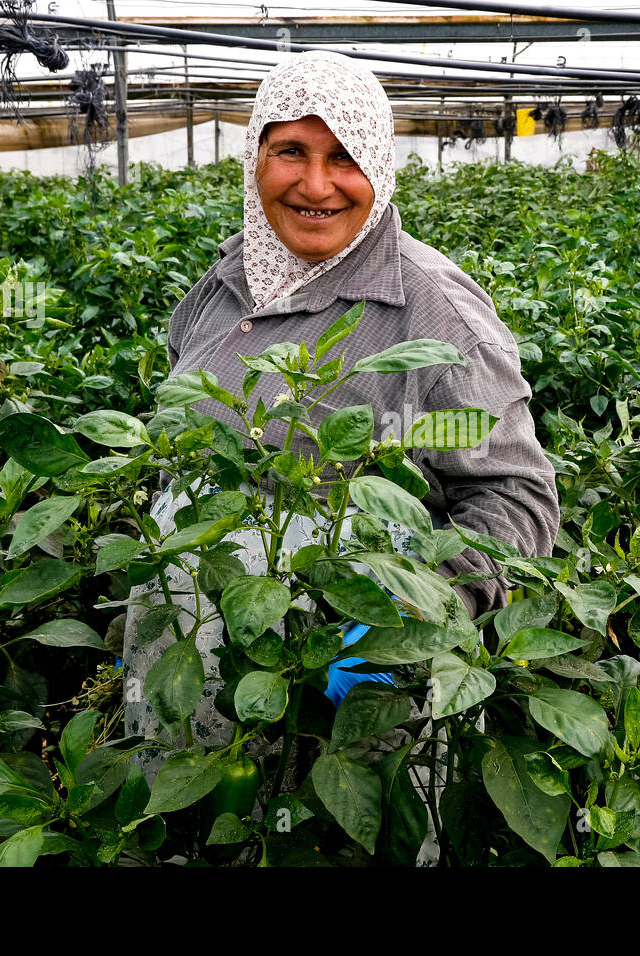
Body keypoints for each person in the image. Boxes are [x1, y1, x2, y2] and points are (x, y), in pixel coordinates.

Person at [122, 51, 558, 775]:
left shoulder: (433, 312)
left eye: (345, 157)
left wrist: (406, 618)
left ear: (379, 165)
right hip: (191, 654)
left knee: (333, 820)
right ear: (256, 157)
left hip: (348, 687)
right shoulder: (224, 285)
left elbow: (518, 499)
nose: (316, 184)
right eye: (290, 151)